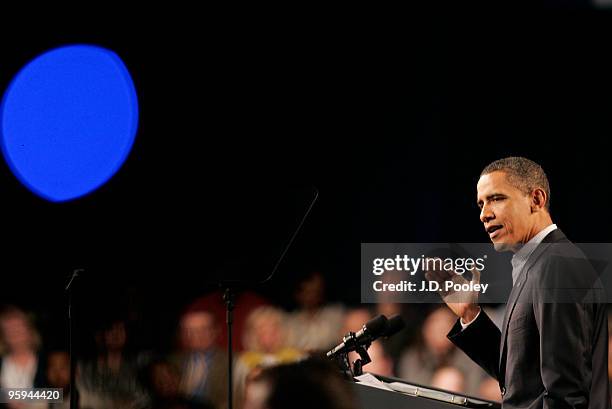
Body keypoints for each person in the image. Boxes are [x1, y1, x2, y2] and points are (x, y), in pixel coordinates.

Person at [426, 157, 609, 408]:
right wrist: (470, 315)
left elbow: (566, 395)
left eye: (496, 199)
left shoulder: (558, 264)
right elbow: (522, 378)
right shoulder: (538, 264)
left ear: (536, 199)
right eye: (480, 204)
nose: (483, 214)